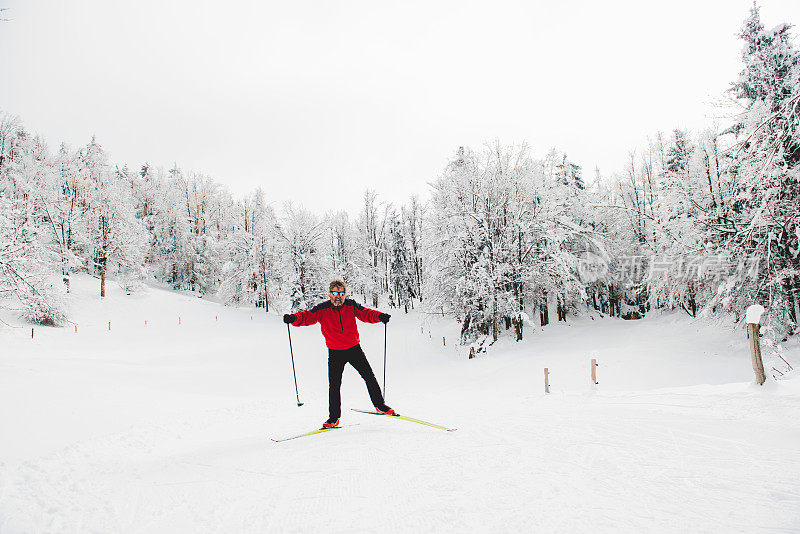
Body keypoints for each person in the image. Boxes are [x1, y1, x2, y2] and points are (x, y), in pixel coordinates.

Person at [283, 279, 394, 428]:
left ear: (344, 295)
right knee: (334, 385)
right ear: (330, 294)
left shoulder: (351, 305)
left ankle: (380, 405)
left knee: (369, 376)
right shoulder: (322, 309)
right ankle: (333, 418)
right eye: (335, 293)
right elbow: (307, 316)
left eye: (341, 294)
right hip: (335, 352)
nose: (338, 296)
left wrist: (380, 316)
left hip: (354, 349)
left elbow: (366, 314)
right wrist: (293, 319)